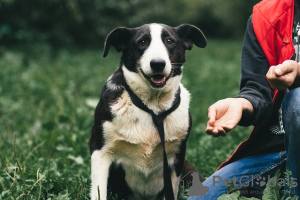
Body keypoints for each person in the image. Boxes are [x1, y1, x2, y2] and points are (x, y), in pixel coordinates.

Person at [189, 0, 300, 199]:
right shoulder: (265, 15)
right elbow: (257, 88)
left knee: (297, 101)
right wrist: (242, 103)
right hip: (276, 147)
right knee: (201, 196)